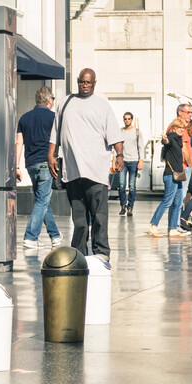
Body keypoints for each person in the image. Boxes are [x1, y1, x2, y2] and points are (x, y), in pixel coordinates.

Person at [49, 68, 124, 266]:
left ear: (94, 83)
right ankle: (78, 253)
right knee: (79, 218)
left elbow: (115, 135)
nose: (85, 85)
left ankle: (101, 252)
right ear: (77, 81)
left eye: (88, 83)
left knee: (99, 215)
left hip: (96, 170)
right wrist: (51, 154)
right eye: (82, 82)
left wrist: (120, 155)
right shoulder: (65, 103)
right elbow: (55, 132)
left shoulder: (102, 106)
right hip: (73, 171)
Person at [15, 86, 62, 250]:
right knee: (42, 201)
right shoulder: (53, 118)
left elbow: (19, 142)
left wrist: (16, 166)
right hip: (46, 163)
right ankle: (30, 237)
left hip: (30, 164)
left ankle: (55, 236)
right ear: (49, 100)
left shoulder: (24, 118)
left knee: (43, 200)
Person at [148, 116, 189, 238]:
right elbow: (166, 142)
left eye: (183, 128)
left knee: (177, 202)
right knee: (167, 201)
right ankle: (153, 225)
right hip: (171, 175)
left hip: (179, 174)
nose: (182, 130)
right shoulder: (171, 137)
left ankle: (172, 229)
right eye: (179, 127)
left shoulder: (179, 140)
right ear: (174, 127)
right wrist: (165, 139)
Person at [116, 112, 143, 215]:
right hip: (123, 161)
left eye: (129, 119)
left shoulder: (137, 132)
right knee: (121, 184)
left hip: (133, 161)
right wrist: (115, 160)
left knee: (132, 185)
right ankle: (123, 205)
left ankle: (130, 206)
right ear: (123, 120)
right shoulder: (120, 132)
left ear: (132, 120)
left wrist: (141, 160)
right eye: (125, 119)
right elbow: (116, 146)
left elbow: (141, 146)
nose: (127, 120)